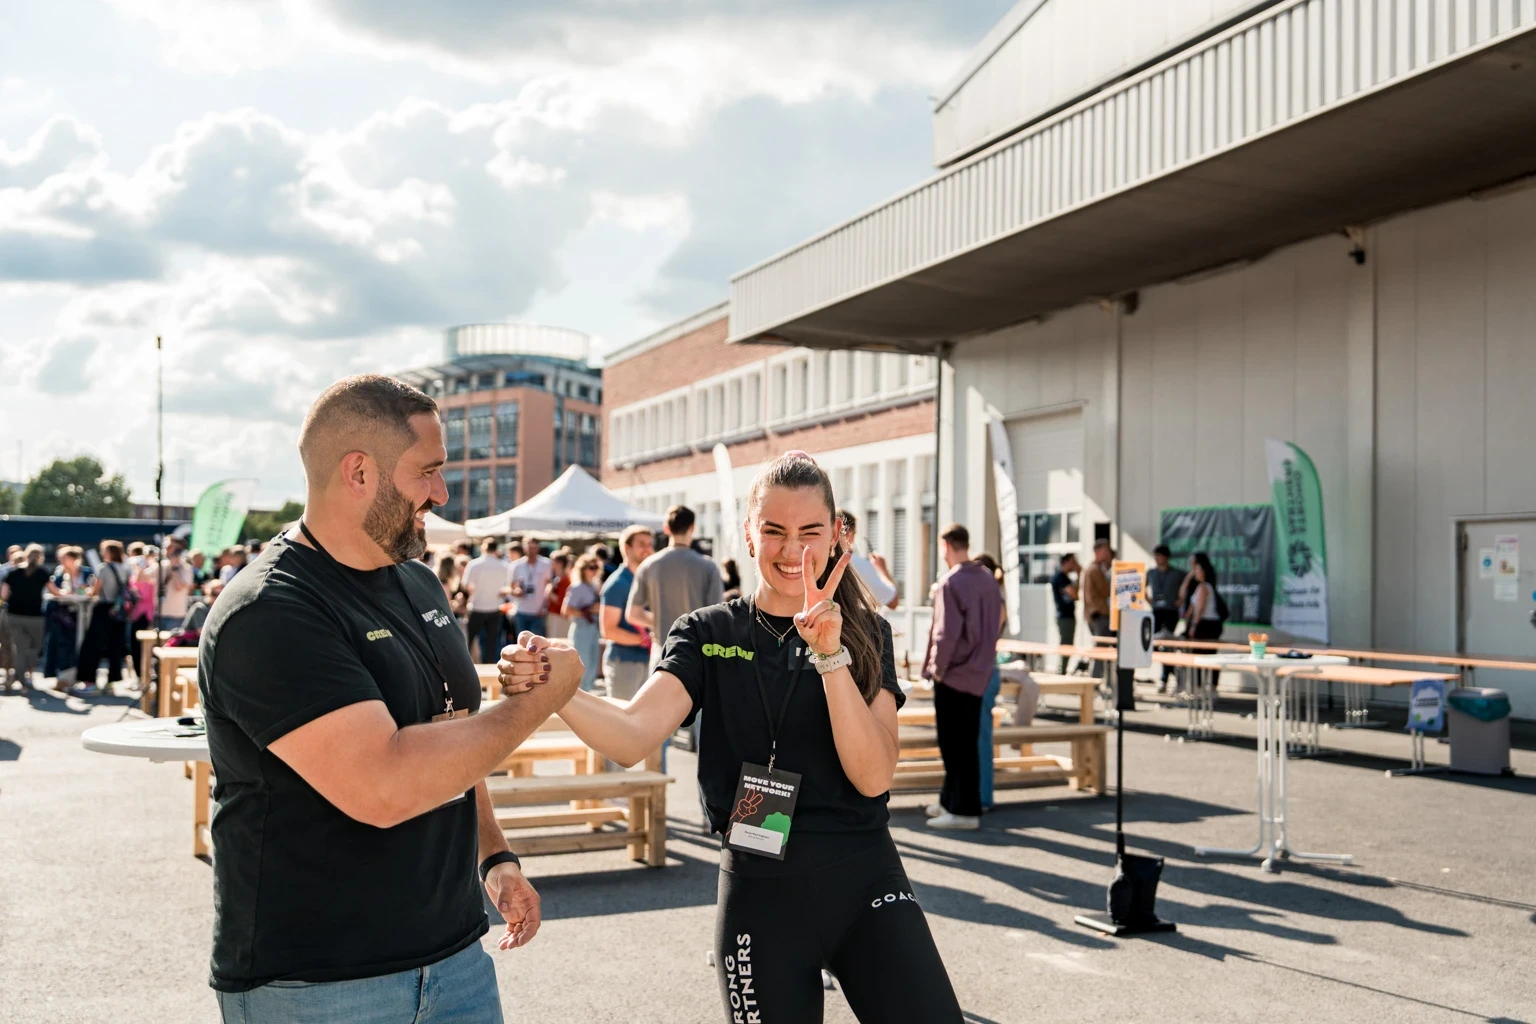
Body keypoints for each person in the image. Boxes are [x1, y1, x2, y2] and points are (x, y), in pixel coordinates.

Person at [505, 452, 963, 1023]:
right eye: (773, 531)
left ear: (836, 535)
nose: (792, 550)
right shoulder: (706, 633)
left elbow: (873, 776)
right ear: (749, 535)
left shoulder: (867, 633)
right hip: (759, 889)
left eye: (809, 532)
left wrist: (830, 656)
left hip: (864, 876)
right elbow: (630, 736)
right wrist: (560, 688)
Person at [198, 374, 578, 1020]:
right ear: (358, 473)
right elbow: (385, 783)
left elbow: (450, 733)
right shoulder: (269, 612)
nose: (442, 492)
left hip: (456, 961)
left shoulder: (420, 584)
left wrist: (495, 857)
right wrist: (538, 704)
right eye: (427, 473)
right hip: (315, 985)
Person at [920, 524, 1002, 830]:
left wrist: (935, 670)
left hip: (954, 675)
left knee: (954, 745)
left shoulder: (950, 582)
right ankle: (949, 800)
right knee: (966, 743)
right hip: (980, 671)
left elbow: (945, 634)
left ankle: (963, 810)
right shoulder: (988, 580)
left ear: (946, 546)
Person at [626, 505, 723, 673]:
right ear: (692, 528)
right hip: (696, 654)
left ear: (666, 528)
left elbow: (633, 614)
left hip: (662, 651)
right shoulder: (708, 566)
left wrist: (660, 621)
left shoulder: (648, 565)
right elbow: (716, 617)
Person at [971, 553, 1009, 813]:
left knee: (981, 738)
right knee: (975, 738)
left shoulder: (991, 598)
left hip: (981, 672)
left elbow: (983, 637)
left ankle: (983, 797)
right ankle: (977, 795)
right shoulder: (992, 597)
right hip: (984, 670)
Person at [599, 525, 654, 701]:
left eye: (650, 544)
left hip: (649, 662)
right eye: (642, 544)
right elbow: (608, 631)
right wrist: (645, 640)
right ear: (626, 548)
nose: (648, 549)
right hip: (624, 664)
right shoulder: (617, 584)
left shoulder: (646, 579)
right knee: (621, 724)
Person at [76, 539, 132, 694]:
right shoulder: (125, 568)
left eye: (103, 550)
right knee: (115, 647)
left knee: (92, 646)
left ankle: (89, 681)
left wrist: (87, 590)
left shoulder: (104, 568)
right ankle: (111, 682)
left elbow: (95, 591)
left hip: (104, 609)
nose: (101, 553)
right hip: (120, 611)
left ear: (109, 552)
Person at [43, 546, 94, 686]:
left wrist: (84, 591)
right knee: (63, 644)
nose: (62, 561)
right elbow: (54, 590)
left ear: (74, 559)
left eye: (64, 558)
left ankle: (78, 676)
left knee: (80, 644)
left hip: (82, 614)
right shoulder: (59, 573)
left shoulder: (87, 572)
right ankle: (65, 676)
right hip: (63, 615)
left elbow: (91, 590)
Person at [1, 545, 48, 690]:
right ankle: (27, 676)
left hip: (14, 614)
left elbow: (4, 595)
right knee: (33, 648)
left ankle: (17, 677)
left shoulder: (13, 573)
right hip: (35, 616)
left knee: (18, 648)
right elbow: (54, 592)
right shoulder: (42, 573)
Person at [838, 509, 899, 610]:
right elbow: (893, 601)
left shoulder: (819, 561)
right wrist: (883, 570)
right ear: (848, 533)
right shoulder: (857, 564)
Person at [461, 538, 510, 663]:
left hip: (477, 606)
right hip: (494, 608)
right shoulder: (504, 565)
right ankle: (489, 668)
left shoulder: (474, 564)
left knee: (468, 642)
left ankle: (465, 666)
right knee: (492, 643)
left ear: (483, 548)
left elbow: (466, 585)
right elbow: (507, 587)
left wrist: (476, 591)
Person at [1146, 544, 1186, 690]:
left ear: (1166, 557)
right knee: (1156, 643)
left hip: (1170, 611)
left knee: (1167, 642)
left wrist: (1181, 599)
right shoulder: (1151, 573)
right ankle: (1172, 673)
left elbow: (1188, 581)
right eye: (1155, 556)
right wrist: (1148, 600)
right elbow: (1140, 587)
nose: (1157, 559)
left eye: (1159, 556)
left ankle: (1165, 677)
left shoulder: (1177, 573)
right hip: (1156, 610)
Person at [562, 553, 602, 691]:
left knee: (592, 666)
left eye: (596, 567)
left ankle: (587, 696)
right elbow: (566, 610)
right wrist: (588, 611)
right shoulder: (577, 587)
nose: (594, 570)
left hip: (593, 628)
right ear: (583, 569)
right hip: (581, 628)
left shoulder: (595, 586)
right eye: (591, 567)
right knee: (582, 666)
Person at [508, 537, 552, 638]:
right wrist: (517, 591)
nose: (531, 550)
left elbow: (549, 585)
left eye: (533, 547)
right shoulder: (516, 565)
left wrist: (545, 606)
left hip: (538, 612)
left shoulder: (546, 563)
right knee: (522, 643)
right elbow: (511, 587)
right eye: (529, 547)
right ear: (524, 548)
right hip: (521, 610)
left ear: (538, 548)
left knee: (536, 644)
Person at [1183, 551, 1225, 641]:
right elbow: (1192, 605)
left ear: (1203, 571)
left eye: (1198, 569)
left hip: (1207, 624)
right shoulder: (1200, 586)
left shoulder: (1204, 587)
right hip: (1204, 623)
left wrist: (1194, 626)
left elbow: (1200, 608)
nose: (1195, 571)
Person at [1050, 553, 1081, 673]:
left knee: (1068, 644)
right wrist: (1079, 573)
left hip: (1067, 616)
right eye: (1073, 562)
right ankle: (1061, 672)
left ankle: (1062, 670)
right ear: (1066, 562)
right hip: (1064, 616)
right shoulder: (1060, 577)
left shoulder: (1065, 578)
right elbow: (1075, 594)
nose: (1075, 565)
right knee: (1066, 645)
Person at [158, 540, 196, 631]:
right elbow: (141, 579)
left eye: (171, 547)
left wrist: (174, 568)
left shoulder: (186, 568)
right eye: (166, 547)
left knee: (171, 643)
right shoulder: (161, 565)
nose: (167, 550)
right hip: (159, 613)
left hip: (176, 615)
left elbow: (179, 587)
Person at [544, 549, 572, 643]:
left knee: (556, 643)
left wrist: (549, 591)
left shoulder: (565, 580)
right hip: (555, 615)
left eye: (553, 561)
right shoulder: (558, 578)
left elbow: (561, 601)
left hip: (559, 617)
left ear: (560, 563)